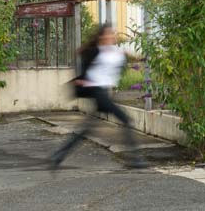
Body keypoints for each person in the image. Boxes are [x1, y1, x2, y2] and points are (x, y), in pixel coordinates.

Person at [49, 24, 148, 169]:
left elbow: (122, 65)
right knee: (126, 119)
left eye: (112, 34)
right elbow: (85, 69)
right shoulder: (95, 51)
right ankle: (135, 159)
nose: (111, 36)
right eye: (108, 34)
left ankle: (59, 155)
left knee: (88, 128)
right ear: (101, 36)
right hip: (98, 92)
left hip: (104, 93)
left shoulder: (117, 51)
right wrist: (83, 79)